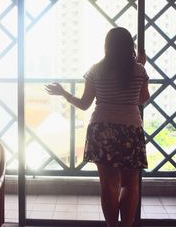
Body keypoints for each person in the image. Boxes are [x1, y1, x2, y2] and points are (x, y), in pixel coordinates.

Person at [45, 27, 150, 227]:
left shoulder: (96, 69)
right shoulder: (139, 70)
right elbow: (143, 99)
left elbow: (84, 104)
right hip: (130, 129)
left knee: (108, 185)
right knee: (130, 184)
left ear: (107, 46)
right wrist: (140, 69)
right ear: (130, 46)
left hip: (101, 130)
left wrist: (64, 93)